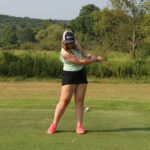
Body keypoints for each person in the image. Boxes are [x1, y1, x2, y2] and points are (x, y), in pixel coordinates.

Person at [47, 31, 105, 134]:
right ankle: (54, 124)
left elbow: (83, 54)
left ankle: (79, 126)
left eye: (72, 42)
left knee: (79, 100)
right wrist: (96, 59)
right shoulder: (64, 52)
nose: (70, 44)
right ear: (64, 42)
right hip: (69, 75)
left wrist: (88, 55)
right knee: (64, 101)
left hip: (81, 74)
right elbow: (79, 62)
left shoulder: (76, 43)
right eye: (68, 42)